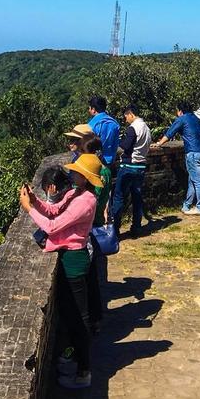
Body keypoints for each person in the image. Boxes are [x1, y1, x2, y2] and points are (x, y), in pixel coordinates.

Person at [20, 152, 103, 390]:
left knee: (79, 317)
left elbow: (52, 225)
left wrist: (28, 210)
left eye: (77, 171)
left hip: (75, 259)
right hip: (69, 257)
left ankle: (84, 370)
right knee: (70, 313)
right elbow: (54, 212)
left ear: (85, 177)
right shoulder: (75, 194)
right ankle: (77, 361)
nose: (72, 173)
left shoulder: (86, 200)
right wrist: (35, 201)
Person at [153, 101, 200, 216]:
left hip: (193, 153)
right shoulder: (196, 118)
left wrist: (159, 143)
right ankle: (187, 205)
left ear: (180, 111)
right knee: (193, 180)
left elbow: (170, 133)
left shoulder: (182, 119)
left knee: (198, 182)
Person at [81, 134, 113, 330]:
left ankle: (93, 320)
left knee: (91, 278)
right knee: (96, 275)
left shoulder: (96, 173)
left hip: (91, 224)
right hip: (98, 220)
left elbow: (94, 198)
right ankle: (95, 318)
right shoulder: (107, 170)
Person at [111, 104, 150, 235]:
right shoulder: (146, 128)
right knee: (137, 197)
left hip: (129, 166)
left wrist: (119, 141)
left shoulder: (132, 128)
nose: (126, 119)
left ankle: (115, 228)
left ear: (131, 114)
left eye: (126, 116)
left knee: (119, 197)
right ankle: (137, 226)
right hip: (141, 166)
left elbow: (126, 146)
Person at [87, 96, 121, 170]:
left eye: (89, 108)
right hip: (109, 161)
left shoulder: (91, 125)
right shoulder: (114, 123)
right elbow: (115, 144)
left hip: (94, 163)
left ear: (93, 109)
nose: (89, 110)